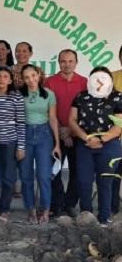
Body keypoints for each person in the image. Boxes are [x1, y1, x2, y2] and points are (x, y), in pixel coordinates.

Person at [69, 67, 122, 225]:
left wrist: (102, 140)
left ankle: (104, 218)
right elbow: (72, 120)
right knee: (84, 181)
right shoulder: (80, 96)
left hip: (109, 145)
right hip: (84, 144)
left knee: (105, 183)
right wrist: (86, 137)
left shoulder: (117, 97)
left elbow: (119, 124)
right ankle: (87, 217)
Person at [45, 49, 88, 217]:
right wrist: (62, 131)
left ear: (76, 63)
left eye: (70, 61)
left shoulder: (84, 82)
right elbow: (47, 109)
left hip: (78, 134)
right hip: (55, 134)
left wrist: (71, 131)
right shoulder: (50, 82)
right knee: (53, 171)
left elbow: (86, 112)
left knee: (78, 171)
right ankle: (57, 204)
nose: (67, 64)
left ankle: (70, 204)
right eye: (63, 61)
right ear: (59, 62)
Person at [19, 64, 60, 224]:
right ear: (22, 79)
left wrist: (57, 143)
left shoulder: (49, 94)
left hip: (44, 135)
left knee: (44, 175)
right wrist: (19, 144)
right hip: (25, 133)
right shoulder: (18, 95)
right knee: (26, 175)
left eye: (33, 75)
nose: (31, 80)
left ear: (39, 75)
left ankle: (45, 209)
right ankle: (30, 209)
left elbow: (53, 119)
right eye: (26, 77)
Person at [0, 67, 26, 221]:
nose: (1, 79)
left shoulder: (16, 97)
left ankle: (5, 209)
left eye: (5, 76)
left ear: (10, 80)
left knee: (8, 178)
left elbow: (21, 123)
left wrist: (21, 147)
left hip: (10, 142)